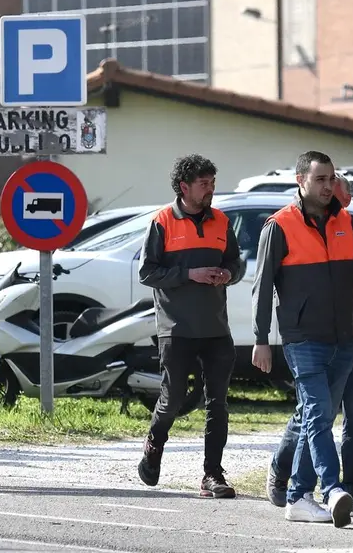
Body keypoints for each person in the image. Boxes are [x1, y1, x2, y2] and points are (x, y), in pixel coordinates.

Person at [250, 150, 353, 527]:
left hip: (345, 339)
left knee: (315, 416)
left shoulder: (347, 225)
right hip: (303, 338)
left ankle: (297, 496)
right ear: (300, 180)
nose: (328, 186)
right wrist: (260, 338)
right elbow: (262, 286)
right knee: (319, 415)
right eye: (320, 179)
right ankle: (334, 488)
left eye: (331, 178)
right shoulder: (280, 226)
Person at [136, 155, 244, 498]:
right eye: (204, 184)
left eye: (212, 183)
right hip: (176, 328)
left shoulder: (222, 221)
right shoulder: (162, 221)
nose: (211, 189)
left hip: (216, 329)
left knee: (218, 404)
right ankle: (154, 443)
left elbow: (235, 263)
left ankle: (212, 475)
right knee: (173, 399)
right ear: (184, 187)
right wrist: (189, 275)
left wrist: (228, 274)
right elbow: (147, 273)